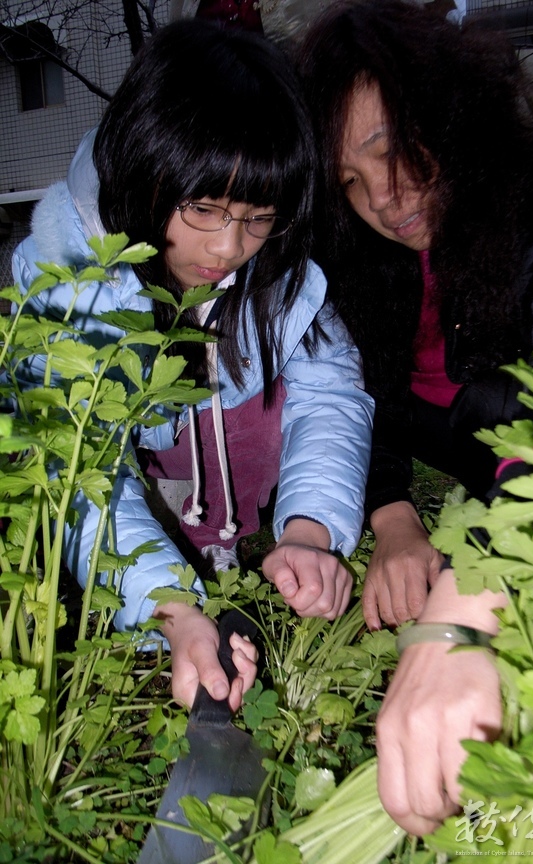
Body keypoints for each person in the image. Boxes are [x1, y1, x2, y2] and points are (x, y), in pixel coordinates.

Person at [298, 0, 533, 834]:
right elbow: (358, 396)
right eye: (350, 179)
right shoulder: (363, 260)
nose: (382, 196)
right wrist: (391, 519)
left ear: (450, 109)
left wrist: (459, 611)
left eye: (386, 146)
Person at [12, 19, 373, 711]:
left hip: (240, 468)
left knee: (272, 381)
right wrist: (170, 605)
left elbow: (331, 396)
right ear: (144, 173)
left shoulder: (277, 261)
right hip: (147, 468)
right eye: (203, 208)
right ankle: (182, 559)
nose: (229, 245)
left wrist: (310, 531)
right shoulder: (65, 275)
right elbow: (79, 467)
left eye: (257, 216)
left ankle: (233, 545)